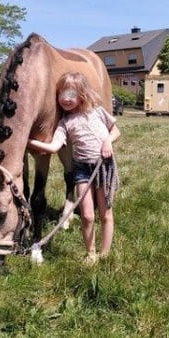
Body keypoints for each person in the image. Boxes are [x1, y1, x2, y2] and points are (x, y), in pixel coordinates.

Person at [28, 72, 121, 263]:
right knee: (87, 215)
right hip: (82, 169)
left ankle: (105, 254)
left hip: (103, 167)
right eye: (62, 94)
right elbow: (54, 147)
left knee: (105, 213)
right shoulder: (65, 122)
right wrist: (29, 142)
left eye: (71, 94)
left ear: (82, 94)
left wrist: (108, 142)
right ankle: (91, 253)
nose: (66, 99)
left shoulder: (97, 111)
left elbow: (116, 131)